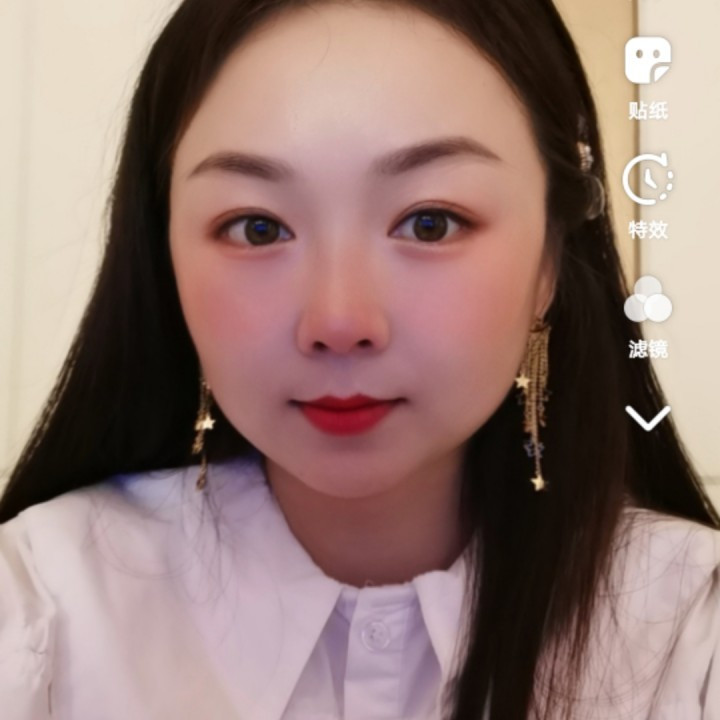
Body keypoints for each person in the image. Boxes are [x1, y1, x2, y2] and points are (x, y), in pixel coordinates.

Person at [1, 0, 718, 718]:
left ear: (550, 261)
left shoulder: (691, 639)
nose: (338, 322)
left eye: (430, 223)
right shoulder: (40, 611)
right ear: (165, 257)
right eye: (257, 228)